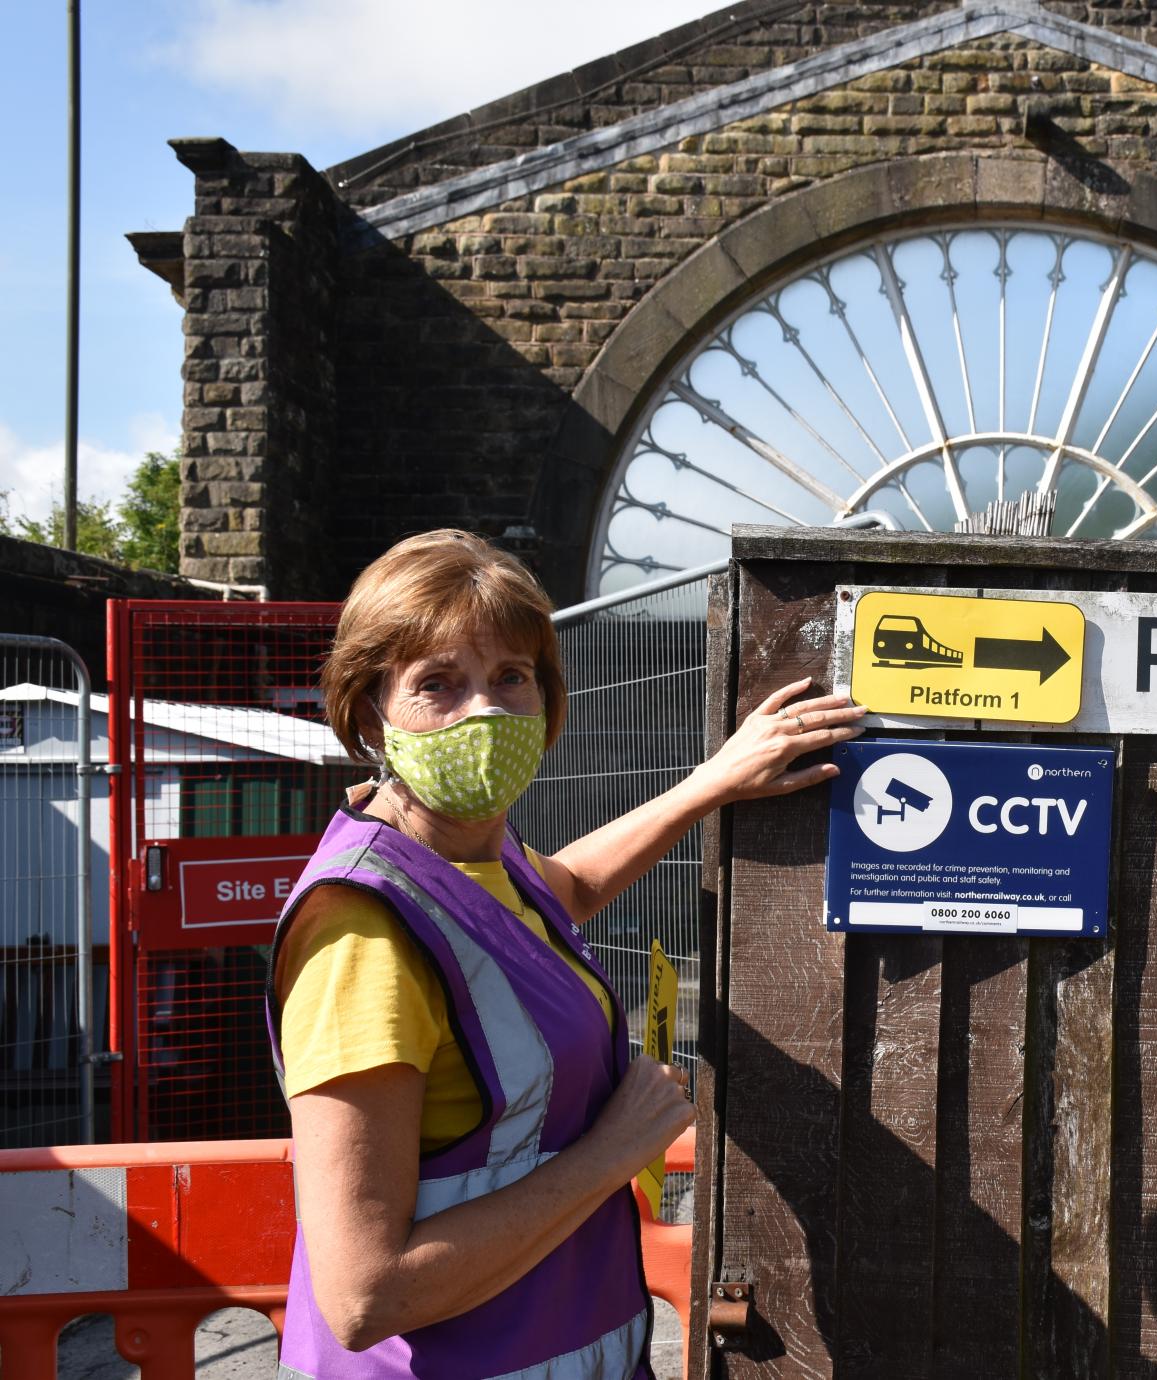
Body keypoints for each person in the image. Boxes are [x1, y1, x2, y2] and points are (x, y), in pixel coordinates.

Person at [265, 529, 863, 1378]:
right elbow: (367, 1297)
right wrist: (611, 1155)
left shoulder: (473, 860)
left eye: (512, 677)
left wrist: (711, 783)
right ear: (370, 712)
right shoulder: (364, 937)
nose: (485, 710)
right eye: (439, 684)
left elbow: (566, 887)